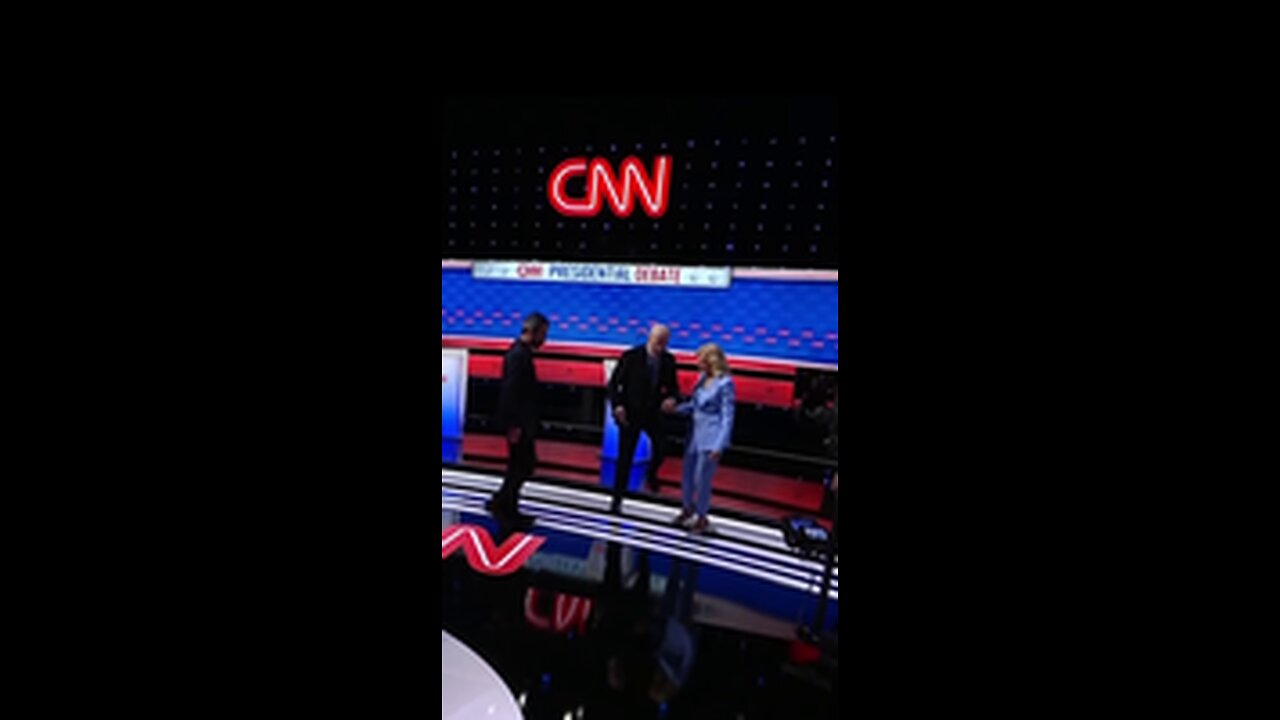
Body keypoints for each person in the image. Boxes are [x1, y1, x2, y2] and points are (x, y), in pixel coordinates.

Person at [607, 324, 679, 512]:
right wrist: (618, 406)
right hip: (631, 413)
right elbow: (615, 384)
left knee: (662, 447)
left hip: (653, 414)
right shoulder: (631, 357)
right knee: (625, 457)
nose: (660, 347)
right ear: (650, 339)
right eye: (658, 343)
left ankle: (652, 475)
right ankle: (617, 499)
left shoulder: (669, 361)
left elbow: (674, 389)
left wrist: (671, 399)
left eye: (664, 343)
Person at [666, 343, 735, 534]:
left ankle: (702, 517)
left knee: (702, 480)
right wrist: (675, 410)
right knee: (687, 476)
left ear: (710, 360)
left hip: (711, 438)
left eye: (700, 360)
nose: (697, 363)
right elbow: (694, 406)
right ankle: (687, 509)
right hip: (694, 435)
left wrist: (720, 445)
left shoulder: (725, 383)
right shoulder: (702, 379)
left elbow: (727, 416)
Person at [488, 312, 549, 529]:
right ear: (532, 332)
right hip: (519, 423)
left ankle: (503, 502)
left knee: (521, 465)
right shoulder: (518, 356)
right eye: (543, 334)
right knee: (521, 465)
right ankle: (505, 507)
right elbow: (510, 392)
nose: (545, 339)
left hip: (523, 422)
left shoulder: (521, 354)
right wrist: (513, 425)